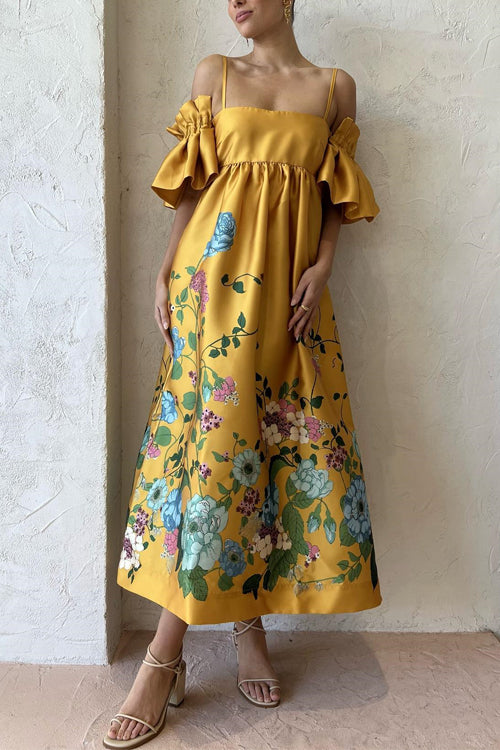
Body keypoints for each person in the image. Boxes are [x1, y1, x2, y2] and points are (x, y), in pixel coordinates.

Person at [104, 0, 382, 747]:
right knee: (216, 455)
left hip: (290, 299)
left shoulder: (335, 88)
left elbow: (334, 196)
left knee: (264, 451)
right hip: (212, 294)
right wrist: (165, 271)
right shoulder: (215, 75)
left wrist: (325, 265)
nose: (235, 1)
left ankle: (241, 625)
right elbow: (194, 189)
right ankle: (167, 656)